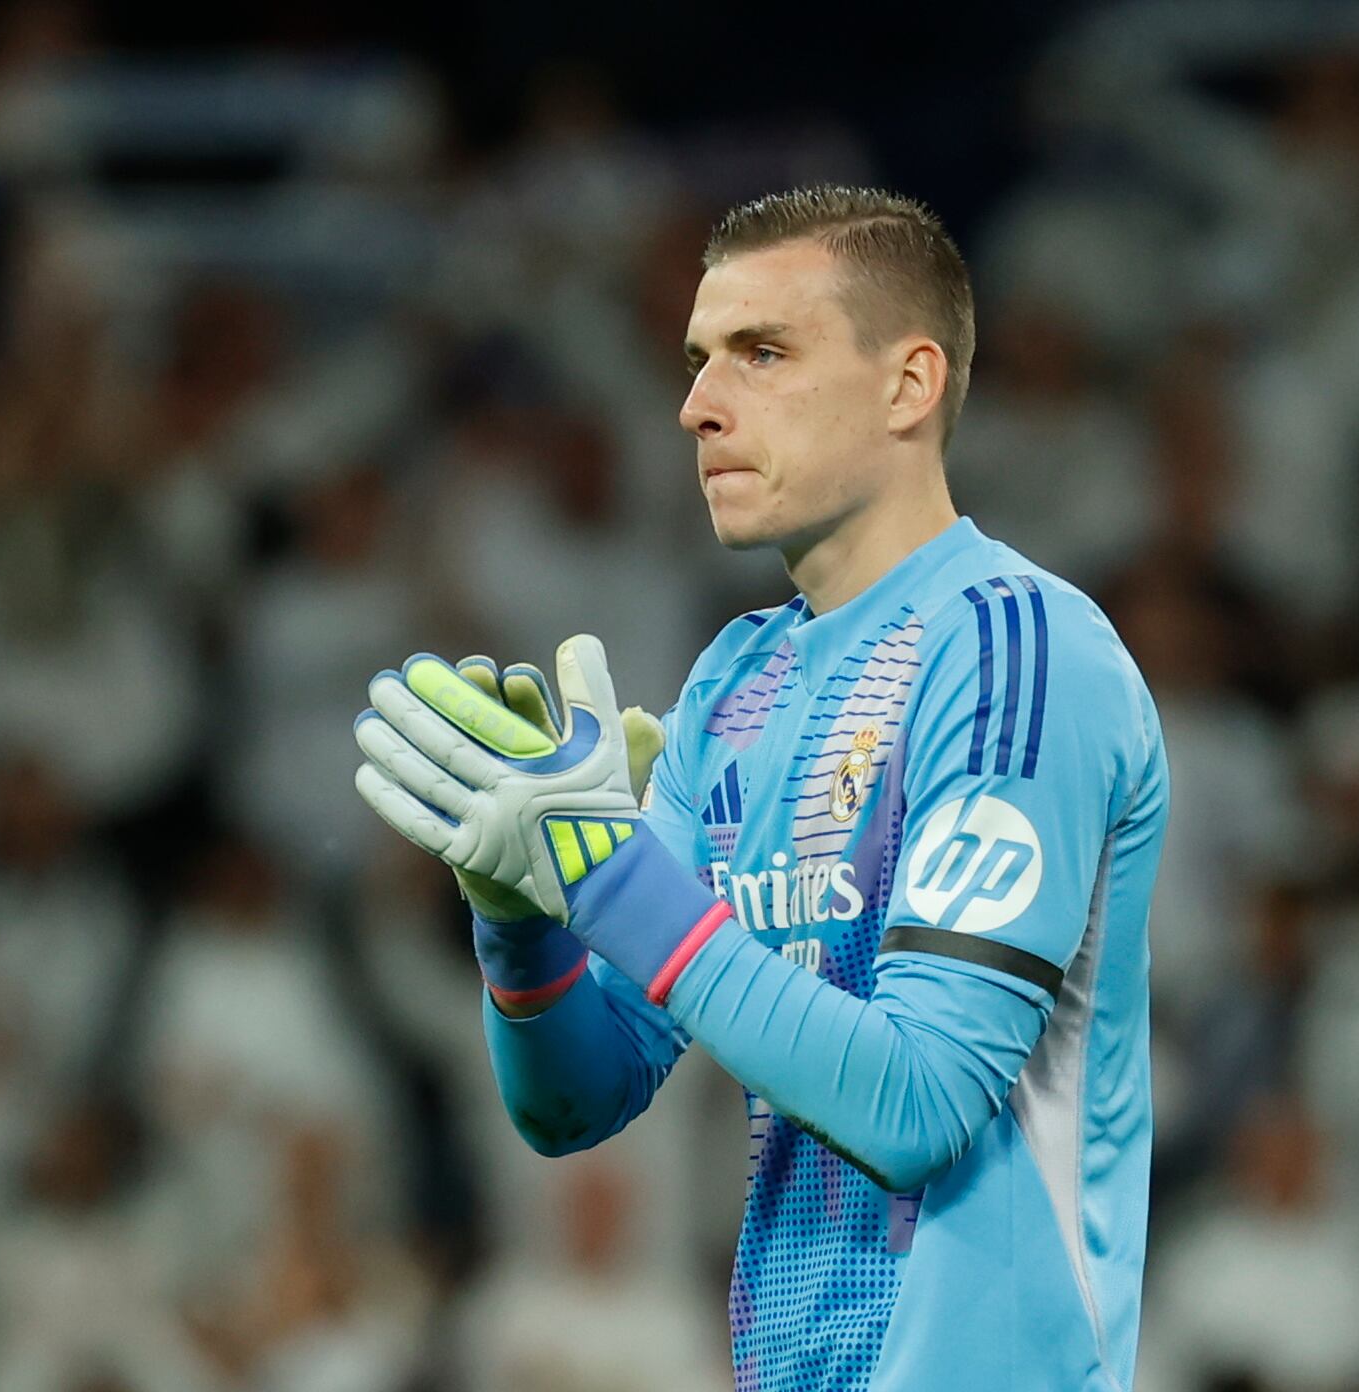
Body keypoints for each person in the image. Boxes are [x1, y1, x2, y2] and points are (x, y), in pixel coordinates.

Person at [353, 185, 1169, 1391]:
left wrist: (601, 872)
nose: (696, 405)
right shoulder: (737, 684)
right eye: (696, 361)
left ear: (908, 385)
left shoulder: (1016, 652)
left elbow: (918, 1103)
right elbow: (576, 1103)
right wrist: (520, 915)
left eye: (763, 353)